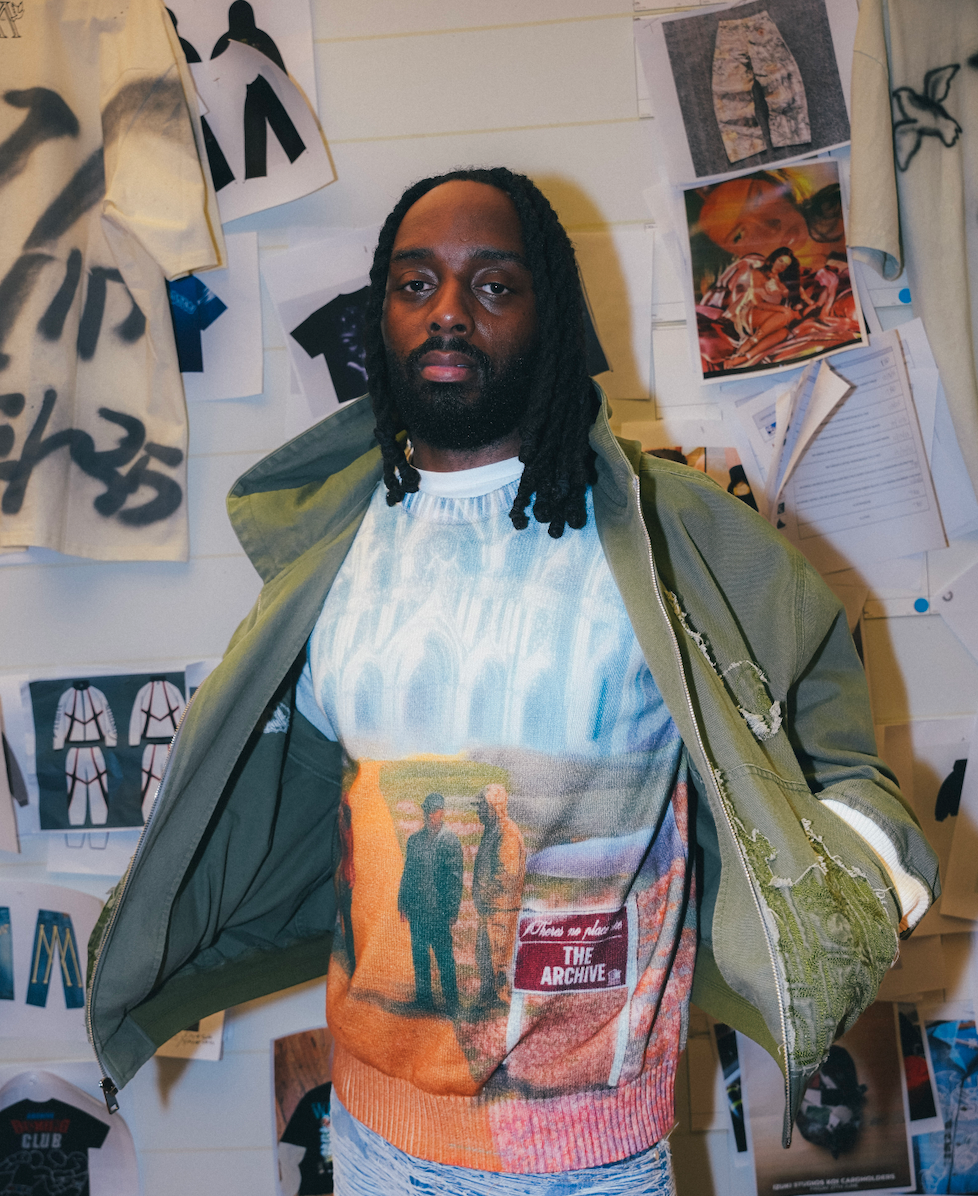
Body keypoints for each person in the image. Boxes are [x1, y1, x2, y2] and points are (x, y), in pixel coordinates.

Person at [88, 167, 939, 1195]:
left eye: (494, 285)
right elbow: (277, 802)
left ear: (552, 317)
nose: (448, 311)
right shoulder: (335, 550)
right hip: (369, 1136)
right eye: (416, 284)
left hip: (592, 1158)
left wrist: (854, 894)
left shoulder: (666, 535)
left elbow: (825, 732)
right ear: (382, 317)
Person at [397, 792, 463, 1013]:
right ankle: (424, 1000)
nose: (430, 815)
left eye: (434, 811)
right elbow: (407, 873)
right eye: (427, 811)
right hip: (417, 910)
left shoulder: (450, 841)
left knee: (444, 957)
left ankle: (452, 1004)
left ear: (442, 812)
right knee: (420, 956)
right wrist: (403, 901)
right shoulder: (414, 840)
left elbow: (455, 878)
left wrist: (452, 910)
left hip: (439, 912)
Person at [471, 784, 526, 1011]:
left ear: (494, 807)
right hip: (492, 909)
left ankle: (499, 1005)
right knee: (486, 957)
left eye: (482, 806)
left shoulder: (507, 833)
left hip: (500, 911)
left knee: (497, 960)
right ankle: (488, 1001)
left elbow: (506, 875)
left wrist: (485, 896)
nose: (478, 811)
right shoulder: (493, 830)